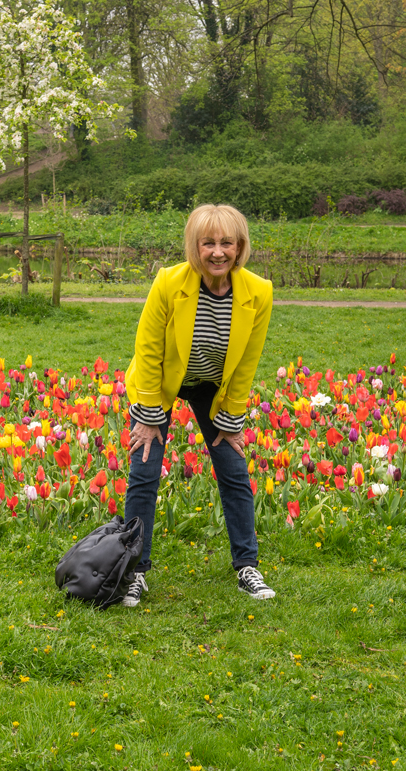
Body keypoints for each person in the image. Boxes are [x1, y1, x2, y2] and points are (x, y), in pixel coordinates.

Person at [122, 203, 275, 607]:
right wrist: (150, 416)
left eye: (227, 242)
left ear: (240, 245)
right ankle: (134, 571)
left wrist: (232, 419)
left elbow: (246, 362)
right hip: (162, 381)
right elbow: (149, 348)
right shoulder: (169, 283)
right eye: (208, 243)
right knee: (145, 468)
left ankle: (247, 566)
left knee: (233, 469)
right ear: (195, 246)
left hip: (213, 386)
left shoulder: (258, 292)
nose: (218, 252)